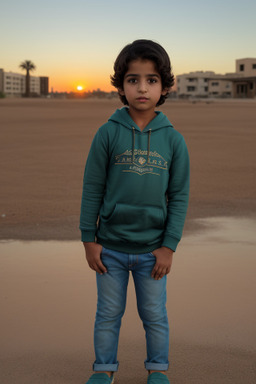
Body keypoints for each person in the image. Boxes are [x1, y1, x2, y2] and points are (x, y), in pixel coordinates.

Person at [80, 39, 190, 384]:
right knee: (108, 315)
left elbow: (180, 195)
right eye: (133, 79)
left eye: (152, 80)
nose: (142, 88)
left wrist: (168, 246)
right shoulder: (107, 133)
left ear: (165, 86)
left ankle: (157, 370)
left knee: (155, 315)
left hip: (152, 252)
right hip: (109, 248)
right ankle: (103, 371)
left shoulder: (173, 140)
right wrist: (89, 239)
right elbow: (92, 189)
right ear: (121, 85)